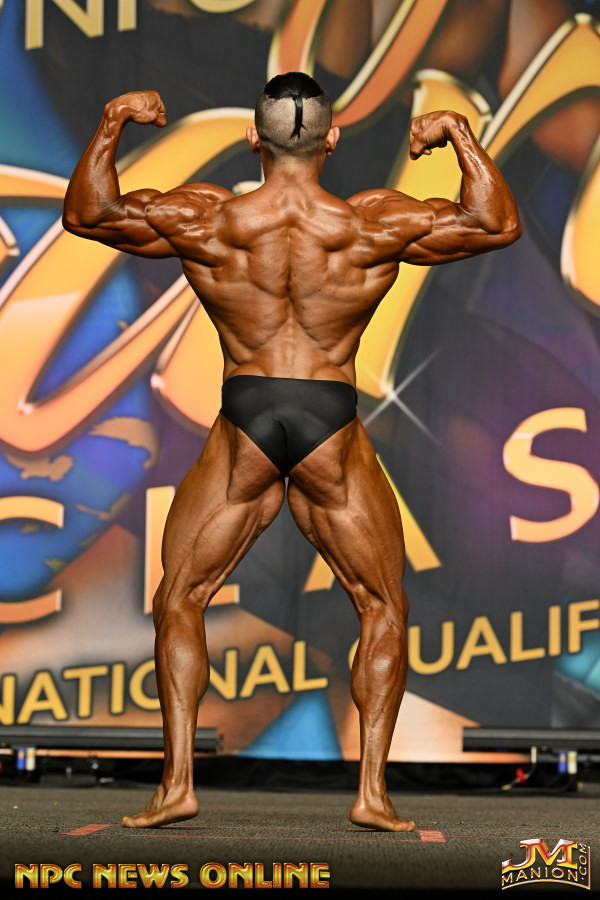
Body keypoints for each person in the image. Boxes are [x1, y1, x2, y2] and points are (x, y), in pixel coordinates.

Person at [62, 72, 521, 831]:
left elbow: (90, 213)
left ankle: (177, 786)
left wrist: (113, 121)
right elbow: (494, 223)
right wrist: (460, 137)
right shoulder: (368, 223)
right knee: (381, 605)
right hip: (328, 419)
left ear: (253, 138)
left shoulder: (210, 219)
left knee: (180, 597)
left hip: (246, 413)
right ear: (332, 139)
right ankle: (371, 795)